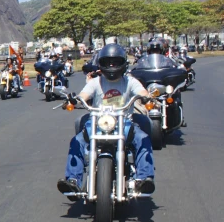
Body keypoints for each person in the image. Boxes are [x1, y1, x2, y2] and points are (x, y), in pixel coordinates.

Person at [57, 44, 155, 196]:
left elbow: (141, 91)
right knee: (77, 141)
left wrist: (146, 96)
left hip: (125, 122)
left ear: (122, 63)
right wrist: (74, 101)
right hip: (97, 123)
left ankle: (143, 179)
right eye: (108, 62)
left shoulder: (129, 81)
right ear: (101, 64)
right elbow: (84, 95)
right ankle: (73, 180)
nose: (111, 66)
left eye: (115, 62)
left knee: (143, 139)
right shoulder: (96, 82)